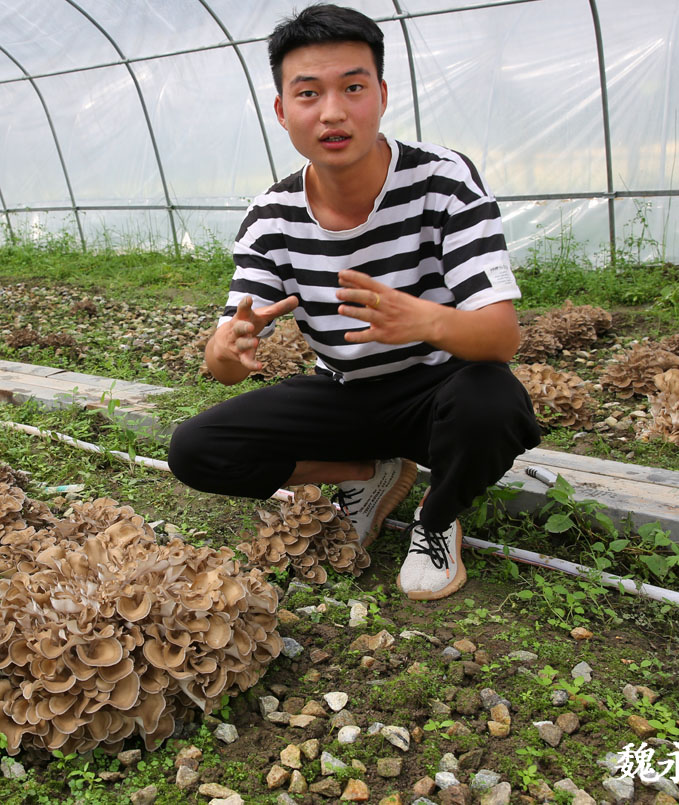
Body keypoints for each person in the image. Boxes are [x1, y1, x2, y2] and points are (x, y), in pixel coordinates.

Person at [167, 3, 541, 601]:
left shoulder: (443, 181)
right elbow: (224, 366)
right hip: (344, 392)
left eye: (354, 87)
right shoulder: (271, 218)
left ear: (382, 94)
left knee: (493, 403)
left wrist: (422, 319)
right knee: (196, 450)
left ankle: (438, 517)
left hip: (438, 393)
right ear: (282, 110)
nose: (333, 111)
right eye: (309, 93)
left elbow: (500, 338)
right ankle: (368, 474)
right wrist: (226, 348)